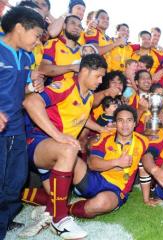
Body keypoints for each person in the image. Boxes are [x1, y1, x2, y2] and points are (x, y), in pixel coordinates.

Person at [23, 54, 107, 239]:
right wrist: (59, 136)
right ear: (84, 71)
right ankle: (60, 221)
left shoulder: (90, 96)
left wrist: (103, 129)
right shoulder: (66, 84)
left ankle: (46, 210)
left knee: (58, 198)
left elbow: (82, 119)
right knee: (70, 149)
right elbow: (30, 102)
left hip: (57, 151)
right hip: (38, 143)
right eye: (98, 76)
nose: (101, 81)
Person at [0, 6, 44, 239]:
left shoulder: (27, 56)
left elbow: (22, 91)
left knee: (15, 179)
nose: (38, 42)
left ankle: (4, 221)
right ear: (19, 28)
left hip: (16, 126)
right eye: (36, 35)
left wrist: (32, 87)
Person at [70, 105, 153, 218]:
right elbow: (92, 163)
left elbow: (144, 169)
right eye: (120, 120)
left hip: (116, 189)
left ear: (134, 124)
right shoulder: (106, 136)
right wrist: (116, 162)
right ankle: (57, 200)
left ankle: (65, 209)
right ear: (115, 123)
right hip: (95, 178)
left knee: (100, 204)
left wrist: (146, 199)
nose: (124, 125)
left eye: (129, 121)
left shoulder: (143, 142)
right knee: (70, 158)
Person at [39, 15, 82, 83]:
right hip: (55, 92)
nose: (76, 27)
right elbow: (43, 68)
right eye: (73, 23)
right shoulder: (53, 43)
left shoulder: (84, 50)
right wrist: (72, 67)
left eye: (79, 26)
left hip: (77, 93)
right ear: (64, 25)